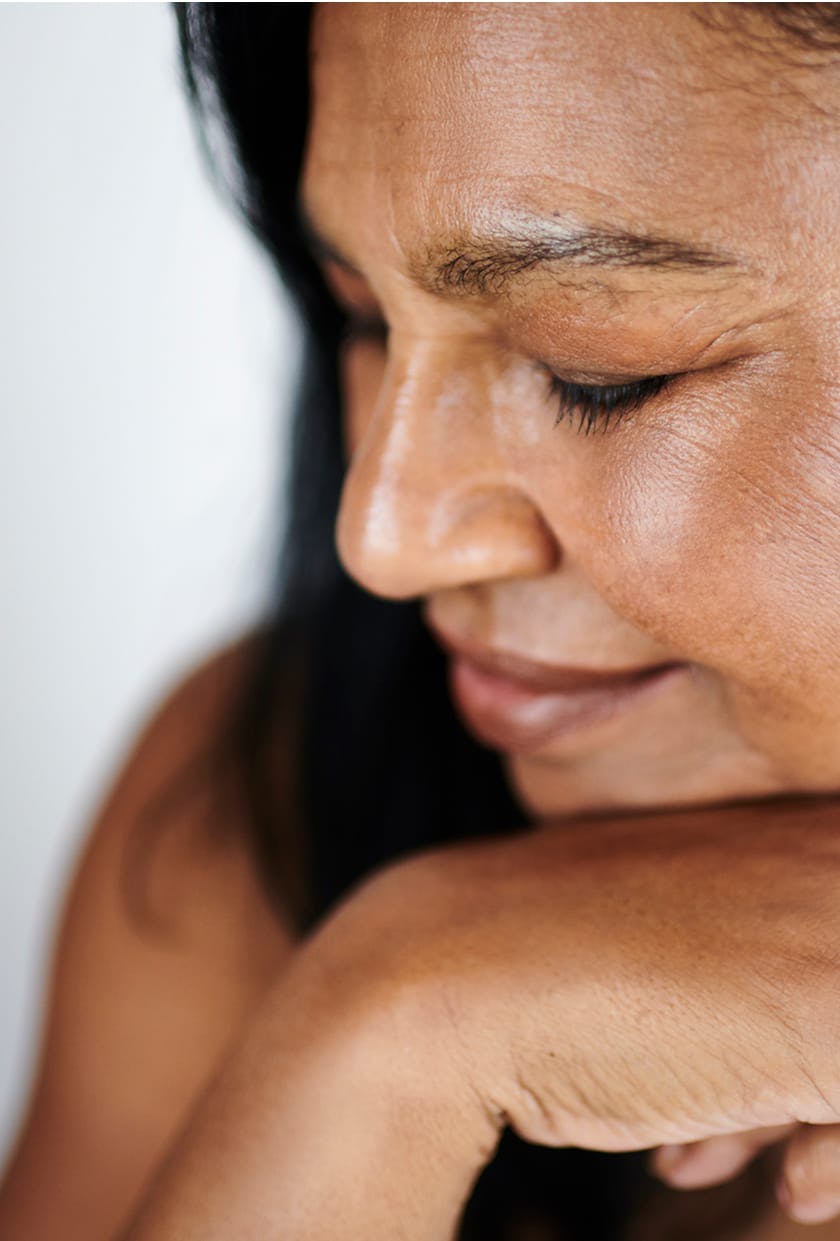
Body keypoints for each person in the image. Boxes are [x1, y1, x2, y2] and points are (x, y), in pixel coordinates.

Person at [2, 3, 840, 1238]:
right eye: (362, 319)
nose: (384, 538)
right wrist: (397, 1036)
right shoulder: (262, 803)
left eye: (597, 373)